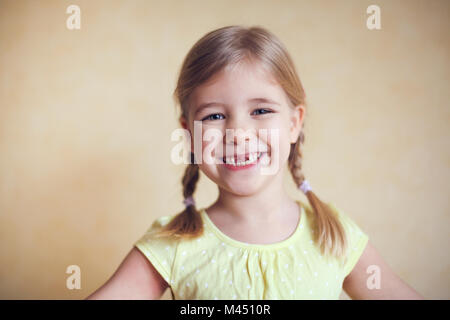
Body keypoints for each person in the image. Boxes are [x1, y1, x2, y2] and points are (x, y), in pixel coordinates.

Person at [86, 25, 423, 300]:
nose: (238, 133)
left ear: (294, 123)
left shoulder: (333, 235)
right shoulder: (174, 243)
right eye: (215, 115)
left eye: (261, 111)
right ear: (189, 133)